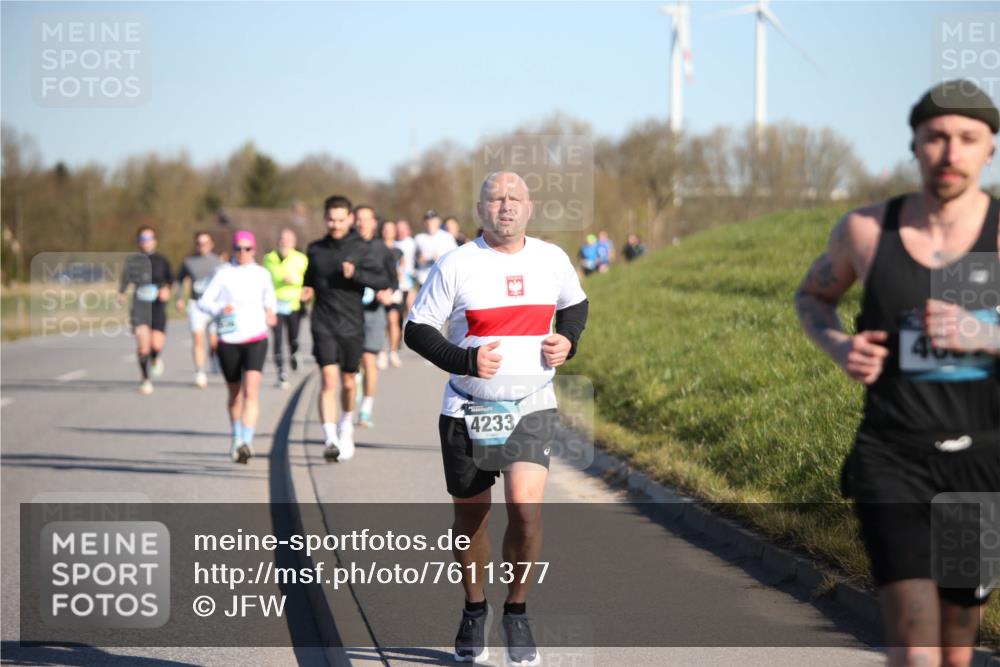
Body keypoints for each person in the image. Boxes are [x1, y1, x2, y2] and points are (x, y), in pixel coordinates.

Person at [794, 80, 999, 667]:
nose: (950, 152)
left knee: (957, 644)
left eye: (968, 138)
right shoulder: (866, 231)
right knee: (916, 645)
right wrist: (840, 347)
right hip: (893, 457)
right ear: (913, 144)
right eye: (935, 137)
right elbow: (812, 297)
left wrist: (982, 334)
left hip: (981, 458)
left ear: (990, 148)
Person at [405, 172, 588, 666]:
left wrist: (568, 341)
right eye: (495, 199)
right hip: (467, 407)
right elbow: (416, 330)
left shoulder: (551, 259)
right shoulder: (457, 263)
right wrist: (465, 361)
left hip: (531, 403)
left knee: (526, 511)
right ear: (481, 208)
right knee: (471, 518)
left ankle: (517, 612)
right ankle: (473, 607)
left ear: (529, 207)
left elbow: (575, 305)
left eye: (514, 198)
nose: (505, 206)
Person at [302, 195, 393, 462]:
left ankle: (345, 426)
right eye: (331, 219)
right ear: (325, 219)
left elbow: (382, 280)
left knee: (349, 383)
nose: (335, 224)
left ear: (349, 219)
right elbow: (310, 278)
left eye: (341, 219)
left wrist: (356, 275)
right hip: (323, 322)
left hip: (352, 324)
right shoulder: (315, 248)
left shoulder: (362, 248)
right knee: (329, 381)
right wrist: (306, 290)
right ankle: (329, 438)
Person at [197, 231, 277, 464]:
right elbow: (204, 301)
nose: (243, 253)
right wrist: (221, 308)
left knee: (251, 391)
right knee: (235, 394)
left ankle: (246, 441)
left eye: (247, 249)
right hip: (229, 339)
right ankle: (236, 436)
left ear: (254, 250)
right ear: (233, 249)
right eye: (238, 248)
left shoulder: (262, 274)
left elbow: (269, 297)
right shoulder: (222, 273)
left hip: (256, 337)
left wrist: (271, 311)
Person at [354, 205, 398, 427]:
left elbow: (393, 280)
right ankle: (356, 384)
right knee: (353, 362)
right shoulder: (346, 246)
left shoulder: (382, 249)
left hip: (373, 311)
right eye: (358, 219)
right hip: (348, 312)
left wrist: (388, 292)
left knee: (369, 360)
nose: (362, 223)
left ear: (374, 222)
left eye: (366, 219)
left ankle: (366, 409)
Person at [118, 226, 173, 395]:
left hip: (157, 306)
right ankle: (145, 380)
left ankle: (155, 358)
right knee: (143, 347)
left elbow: (170, 279)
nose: (146, 242)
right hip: (140, 306)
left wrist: (167, 289)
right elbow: (125, 279)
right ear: (139, 242)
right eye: (143, 239)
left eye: (149, 238)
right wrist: (121, 293)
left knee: (156, 345)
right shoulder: (133, 261)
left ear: (154, 241)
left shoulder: (162, 260)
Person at [175, 231, 224, 388]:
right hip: (196, 304)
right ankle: (200, 372)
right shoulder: (188, 262)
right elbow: (180, 280)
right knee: (198, 338)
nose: (202, 246)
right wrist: (180, 297)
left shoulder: (218, 262)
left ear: (211, 244)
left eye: (205, 243)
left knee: (214, 341)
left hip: (214, 306)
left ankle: (214, 356)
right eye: (199, 243)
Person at [262, 228, 309, 389]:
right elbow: (273, 276)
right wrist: (285, 277)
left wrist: (294, 280)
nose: (284, 243)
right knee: (277, 339)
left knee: (293, 338)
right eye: (282, 239)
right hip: (275, 305)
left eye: (288, 240)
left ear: (294, 243)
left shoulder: (301, 259)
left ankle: (294, 353)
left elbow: (304, 279)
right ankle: (281, 373)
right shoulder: (269, 258)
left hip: (294, 304)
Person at [378, 220, 406, 370]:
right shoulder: (376, 248)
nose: (388, 232)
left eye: (391, 229)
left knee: (393, 320)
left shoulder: (398, 251)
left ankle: (393, 351)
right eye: (385, 229)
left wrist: (401, 272)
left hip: (394, 289)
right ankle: (381, 351)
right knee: (381, 321)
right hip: (378, 290)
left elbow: (403, 266)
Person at [414, 210, 458, 287]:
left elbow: (455, 256)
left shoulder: (447, 237)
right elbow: (413, 259)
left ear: (439, 221)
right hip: (423, 278)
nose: (430, 223)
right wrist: (419, 259)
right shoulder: (418, 238)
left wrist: (441, 258)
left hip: (441, 278)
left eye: (433, 221)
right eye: (428, 221)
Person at [396, 219, 419, 316]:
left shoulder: (413, 243)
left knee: (411, 309)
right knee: (397, 312)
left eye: (403, 229)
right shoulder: (392, 242)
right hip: (395, 280)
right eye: (399, 229)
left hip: (409, 279)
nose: (401, 232)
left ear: (408, 230)